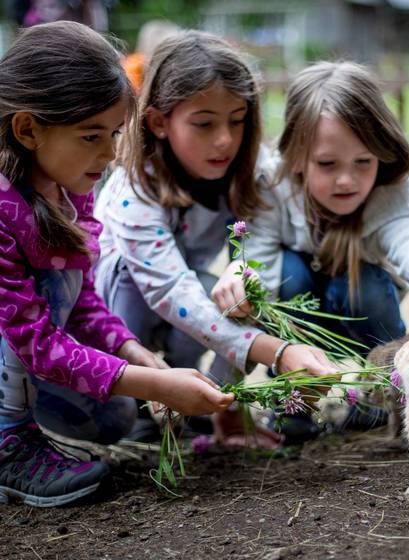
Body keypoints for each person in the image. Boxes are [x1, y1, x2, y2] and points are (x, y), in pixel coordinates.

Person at [212, 61, 409, 433]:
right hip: (297, 318)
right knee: (288, 272)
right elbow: (255, 275)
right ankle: (295, 401)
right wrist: (241, 281)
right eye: (327, 164)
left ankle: (380, 393)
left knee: (367, 283)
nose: (347, 179)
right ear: (296, 157)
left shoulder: (386, 195)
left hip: (360, 317)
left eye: (363, 161)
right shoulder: (271, 188)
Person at [0, 21, 234, 508]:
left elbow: (82, 302)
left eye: (114, 134)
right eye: (91, 136)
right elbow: (34, 339)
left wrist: (137, 355)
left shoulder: (67, 191)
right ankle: (9, 443)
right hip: (20, 348)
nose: (109, 155)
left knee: (113, 419)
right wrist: (158, 384)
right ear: (27, 129)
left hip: (26, 357)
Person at [94, 30, 336, 447]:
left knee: (246, 290)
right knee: (132, 278)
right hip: (113, 322)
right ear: (158, 122)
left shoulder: (251, 169)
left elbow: (258, 255)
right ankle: (138, 402)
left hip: (184, 308)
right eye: (204, 124)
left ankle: (213, 402)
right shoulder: (133, 189)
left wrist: (232, 400)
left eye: (237, 120)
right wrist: (278, 352)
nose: (224, 139)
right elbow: (169, 290)